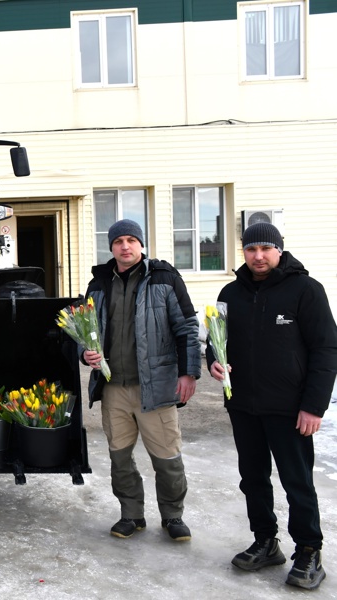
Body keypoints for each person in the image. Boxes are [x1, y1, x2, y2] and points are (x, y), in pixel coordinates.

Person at [209, 222, 337, 590]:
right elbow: (217, 343)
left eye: (266, 248)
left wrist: (314, 407)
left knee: (297, 482)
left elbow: (326, 350)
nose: (258, 256)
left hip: (290, 409)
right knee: (253, 480)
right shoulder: (230, 293)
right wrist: (213, 362)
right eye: (251, 249)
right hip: (244, 406)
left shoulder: (306, 291)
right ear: (244, 253)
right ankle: (266, 541)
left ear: (279, 250)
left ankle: (309, 549)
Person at [81, 219, 201, 542]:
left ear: (141, 244)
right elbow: (84, 330)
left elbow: (187, 326)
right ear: (111, 247)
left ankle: (173, 516)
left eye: (131, 240)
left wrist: (188, 372)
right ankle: (131, 514)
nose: (125, 246)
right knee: (120, 459)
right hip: (114, 388)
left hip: (156, 387)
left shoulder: (164, 278)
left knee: (167, 458)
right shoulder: (98, 284)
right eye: (118, 241)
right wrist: (85, 354)